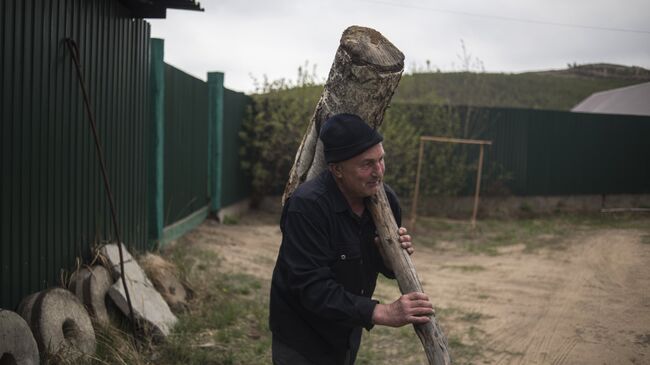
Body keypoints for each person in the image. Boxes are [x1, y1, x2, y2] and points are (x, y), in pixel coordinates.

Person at [269, 113, 434, 365]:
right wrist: (382, 311)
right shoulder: (308, 206)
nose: (378, 172)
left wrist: (389, 258)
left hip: (346, 331)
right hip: (301, 335)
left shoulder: (386, 201)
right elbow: (310, 287)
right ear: (337, 170)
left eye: (381, 160)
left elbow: (379, 267)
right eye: (367, 164)